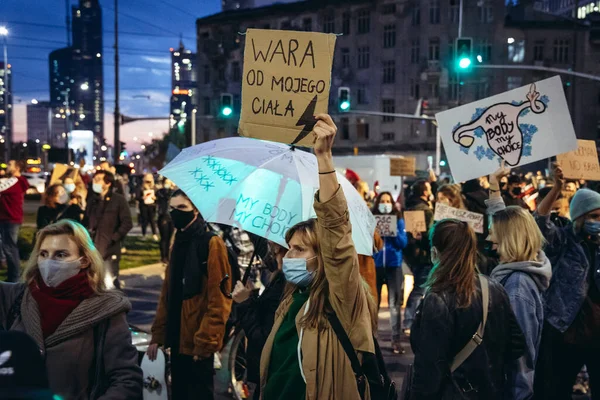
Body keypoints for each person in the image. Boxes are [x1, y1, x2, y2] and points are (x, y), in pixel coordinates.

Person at [260, 114, 377, 399]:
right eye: (289, 248)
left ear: (322, 257)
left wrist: (324, 158)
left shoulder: (343, 300)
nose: (289, 255)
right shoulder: (291, 299)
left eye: (299, 249)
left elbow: (337, 237)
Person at [0, 220, 143, 398]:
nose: (48, 262)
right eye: (43, 254)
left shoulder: (107, 310)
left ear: (83, 260)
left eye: (61, 255)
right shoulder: (16, 297)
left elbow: (127, 380)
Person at [409, 219, 526, 399]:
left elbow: (429, 369)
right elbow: (516, 345)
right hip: (492, 392)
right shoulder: (494, 287)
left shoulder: (438, 297)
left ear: (434, 253)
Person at [147, 189, 232, 400]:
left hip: (197, 341)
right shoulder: (179, 241)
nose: (176, 213)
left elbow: (219, 299)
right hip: (177, 338)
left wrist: (205, 342)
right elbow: (168, 293)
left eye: (182, 208)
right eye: (173, 208)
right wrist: (158, 334)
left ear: (196, 209)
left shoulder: (211, 243)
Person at [533, 164, 600, 400]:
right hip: (567, 330)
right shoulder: (564, 240)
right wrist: (556, 189)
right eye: (593, 216)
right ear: (579, 217)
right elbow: (539, 224)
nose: (598, 221)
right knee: (557, 390)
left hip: (597, 333)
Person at [486, 165, 552, 400]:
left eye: (494, 232)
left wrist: (519, 396)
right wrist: (494, 186)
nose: (488, 237)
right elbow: (502, 218)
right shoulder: (519, 271)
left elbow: (521, 359)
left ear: (509, 238)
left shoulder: (517, 288)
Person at [232, 241, 287, 400]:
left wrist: (244, 304)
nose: (274, 254)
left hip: (271, 376)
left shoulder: (284, 287)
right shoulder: (279, 279)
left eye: (278, 249)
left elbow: (263, 338)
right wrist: (250, 298)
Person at [372, 191, 408, 354]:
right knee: (374, 304)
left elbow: (403, 243)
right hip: (376, 265)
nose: (385, 203)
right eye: (382, 200)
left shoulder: (399, 220)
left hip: (394, 265)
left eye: (388, 201)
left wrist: (392, 234)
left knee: (394, 304)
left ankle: (395, 340)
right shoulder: (372, 219)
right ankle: (372, 339)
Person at [84, 170, 133, 289]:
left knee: (109, 282)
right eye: (94, 179)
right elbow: (86, 220)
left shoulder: (118, 200)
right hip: (93, 247)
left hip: (110, 249)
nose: (95, 182)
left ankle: (116, 305)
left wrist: (114, 237)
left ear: (108, 183)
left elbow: (127, 223)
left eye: (98, 180)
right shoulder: (92, 200)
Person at [404, 179, 435, 333]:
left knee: (418, 288)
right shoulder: (426, 210)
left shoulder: (410, 207)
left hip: (413, 256)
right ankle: (410, 321)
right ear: (424, 191)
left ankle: (410, 321)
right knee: (420, 290)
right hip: (424, 255)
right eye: (429, 188)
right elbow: (429, 235)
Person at [0, 160, 29, 282]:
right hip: (6, 218)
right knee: (8, 247)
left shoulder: (15, 181)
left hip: (10, 219)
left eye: (10, 164)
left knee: (10, 248)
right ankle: (12, 276)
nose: (7, 166)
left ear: (17, 167)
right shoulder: (12, 181)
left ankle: (14, 278)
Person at [156, 177, 174, 264]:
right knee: (164, 237)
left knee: (170, 238)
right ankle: (163, 256)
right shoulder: (160, 192)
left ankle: (168, 255)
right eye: (166, 182)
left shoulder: (173, 192)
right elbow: (164, 198)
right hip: (163, 216)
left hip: (172, 217)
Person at [136, 173, 158, 240]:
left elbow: (158, 197)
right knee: (144, 221)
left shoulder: (154, 187)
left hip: (152, 206)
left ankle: (154, 234)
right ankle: (144, 234)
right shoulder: (141, 187)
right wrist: (142, 198)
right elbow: (137, 197)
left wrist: (155, 198)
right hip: (144, 206)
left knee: (152, 220)